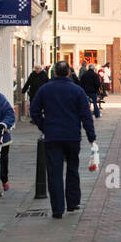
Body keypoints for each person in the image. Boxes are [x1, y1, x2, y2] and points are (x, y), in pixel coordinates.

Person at [30, 61, 98, 218]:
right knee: (73, 169)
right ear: (68, 72)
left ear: (54, 73)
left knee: (54, 173)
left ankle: (57, 208)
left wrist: (44, 126)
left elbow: (34, 111)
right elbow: (86, 115)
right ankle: (73, 203)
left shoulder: (44, 89)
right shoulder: (77, 91)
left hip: (52, 137)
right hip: (72, 136)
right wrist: (91, 136)